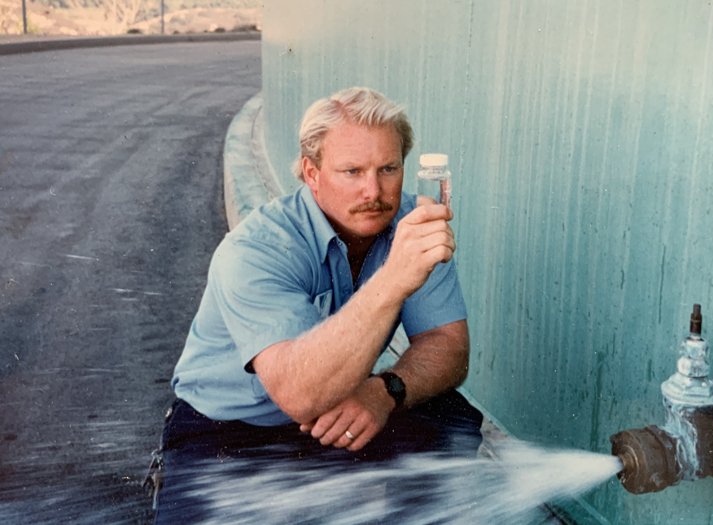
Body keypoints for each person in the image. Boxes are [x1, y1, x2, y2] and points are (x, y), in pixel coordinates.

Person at [148, 87, 482, 522]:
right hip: (230, 429)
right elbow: (299, 394)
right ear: (312, 172)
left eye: (388, 168)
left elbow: (449, 345)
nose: (373, 190)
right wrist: (394, 279)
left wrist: (386, 391)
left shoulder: (411, 226)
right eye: (351, 171)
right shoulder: (257, 248)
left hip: (345, 406)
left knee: (450, 421)